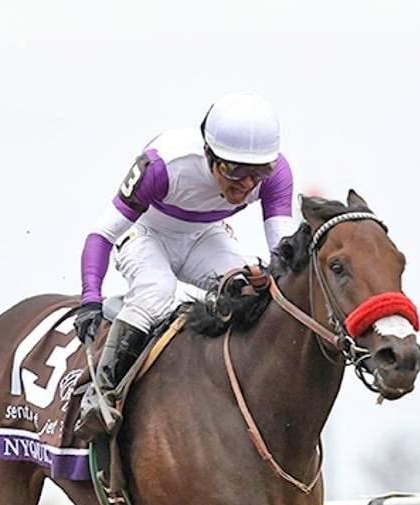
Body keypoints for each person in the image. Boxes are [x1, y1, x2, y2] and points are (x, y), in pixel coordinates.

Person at [73, 91, 295, 440]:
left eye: (259, 172)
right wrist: (90, 298)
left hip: (205, 237)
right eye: (234, 169)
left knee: (251, 289)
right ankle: (100, 395)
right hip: (146, 233)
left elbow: (283, 256)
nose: (247, 184)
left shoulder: (278, 175)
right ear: (208, 153)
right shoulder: (162, 166)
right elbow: (101, 234)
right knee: (156, 294)